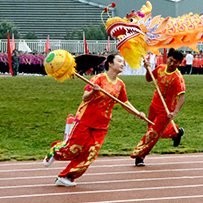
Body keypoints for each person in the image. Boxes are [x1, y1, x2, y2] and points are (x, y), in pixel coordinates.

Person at [43, 54, 146, 187]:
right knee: (73, 149)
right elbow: (85, 97)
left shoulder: (120, 85)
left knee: (90, 153)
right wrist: (94, 92)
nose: (122, 64)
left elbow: (124, 103)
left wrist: (138, 113)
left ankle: (67, 176)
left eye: (123, 62)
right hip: (85, 119)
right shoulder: (98, 79)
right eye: (119, 61)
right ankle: (55, 150)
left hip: (101, 124)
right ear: (110, 63)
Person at [131, 49, 187, 167]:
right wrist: (147, 69)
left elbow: (182, 97)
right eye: (171, 60)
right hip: (154, 105)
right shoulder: (160, 68)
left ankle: (139, 156)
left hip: (166, 111)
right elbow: (149, 78)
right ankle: (176, 132)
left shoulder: (178, 78)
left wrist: (175, 112)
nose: (172, 64)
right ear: (167, 58)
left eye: (175, 62)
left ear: (179, 64)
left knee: (152, 134)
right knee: (154, 131)